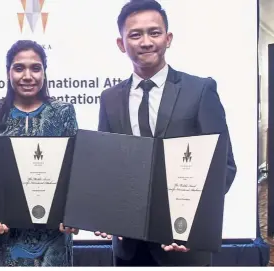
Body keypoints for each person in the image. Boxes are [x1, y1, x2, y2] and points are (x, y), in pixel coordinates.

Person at [96, 0, 236, 266]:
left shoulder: (200, 90)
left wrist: (191, 225)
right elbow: (108, 167)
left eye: (154, 32)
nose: (146, 42)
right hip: (128, 249)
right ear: (121, 44)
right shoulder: (109, 98)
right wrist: (104, 212)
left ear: (168, 38)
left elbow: (224, 167)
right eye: (135, 35)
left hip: (184, 247)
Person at [0, 40, 79, 266]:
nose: (28, 76)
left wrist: (74, 215)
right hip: (4, 238)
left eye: (35, 68)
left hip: (53, 240)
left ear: (44, 72)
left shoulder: (63, 112)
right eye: (19, 68)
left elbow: (75, 172)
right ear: (8, 72)